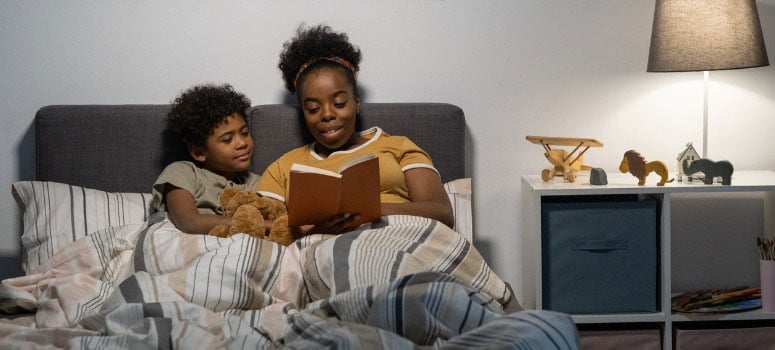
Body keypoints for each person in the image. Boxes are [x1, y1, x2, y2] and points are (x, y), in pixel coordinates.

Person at [257, 24, 454, 235]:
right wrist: (312, 229)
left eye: (339, 103)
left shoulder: (398, 146)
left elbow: (441, 212)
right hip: (320, 246)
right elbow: (254, 224)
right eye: (313, 108)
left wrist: (368, 211)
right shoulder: (283, 167)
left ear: (356, 103)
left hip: (398, 237)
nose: (327, 114)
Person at [152, 83, 260, 235]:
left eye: (245, 133)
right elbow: (189, 222)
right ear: (199, 152)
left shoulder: (255, 183)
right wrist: (265, 225)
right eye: (227, 139)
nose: (242, 143)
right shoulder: (183, 173)